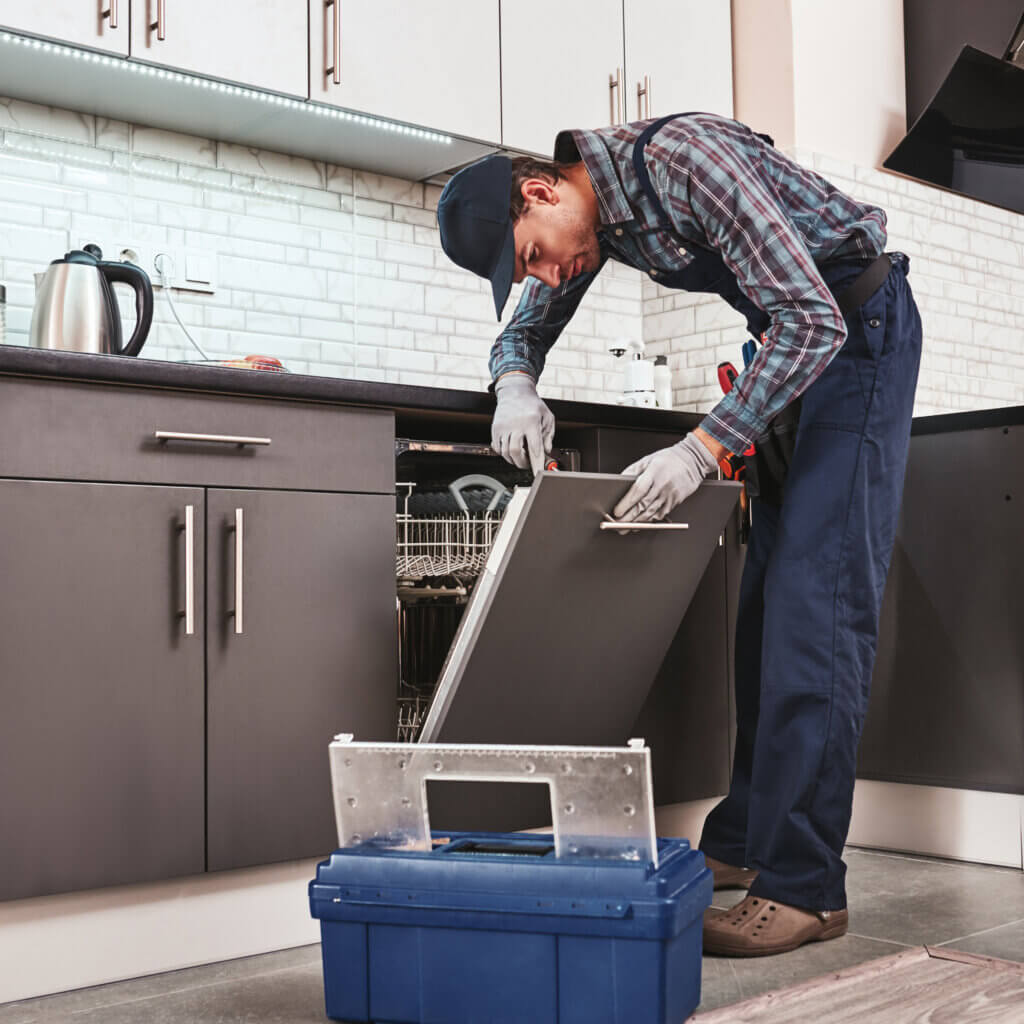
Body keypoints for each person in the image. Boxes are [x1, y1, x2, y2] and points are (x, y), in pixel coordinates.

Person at [435, 112, 922, 957]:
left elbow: (813, 319)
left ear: (541, 190)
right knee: (768, 611)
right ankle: (744, 840)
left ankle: (806, 886)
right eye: (529, 270)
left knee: (820, 610)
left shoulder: (682, 164)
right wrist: (515, 382)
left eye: (532, 254)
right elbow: (526, 327)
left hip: (855, 337)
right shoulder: (597, 219)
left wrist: (704, 448)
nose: (545, 275)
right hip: (798, 356)